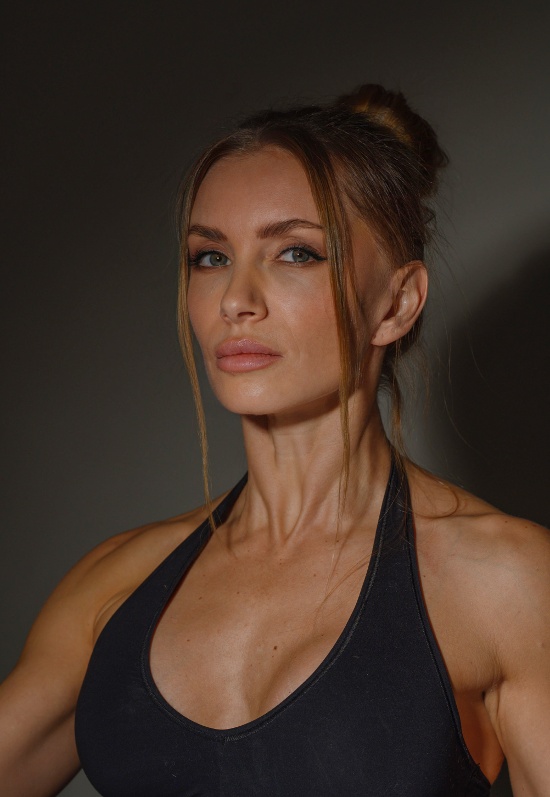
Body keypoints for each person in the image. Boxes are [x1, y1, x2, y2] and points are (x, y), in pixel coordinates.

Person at [0, 85, 549, 797]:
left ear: (397, 302)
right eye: (210, 257)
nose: (236, 299)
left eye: (295, 253)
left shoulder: (505, 582)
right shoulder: (115, 586)